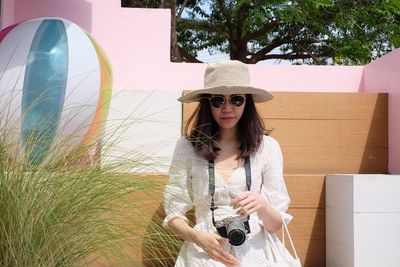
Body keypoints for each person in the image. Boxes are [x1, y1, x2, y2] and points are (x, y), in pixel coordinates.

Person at [162, 60, 293, 267]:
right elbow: (173, 215)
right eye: (218, 101)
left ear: (247, 102)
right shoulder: (187, 147)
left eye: (237, 100)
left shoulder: (267, 148)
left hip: (257, 252)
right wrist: (197, 237)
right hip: (204, 254)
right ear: (207, 103)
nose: (227, 108)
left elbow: (276, 225)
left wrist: (262, 204)